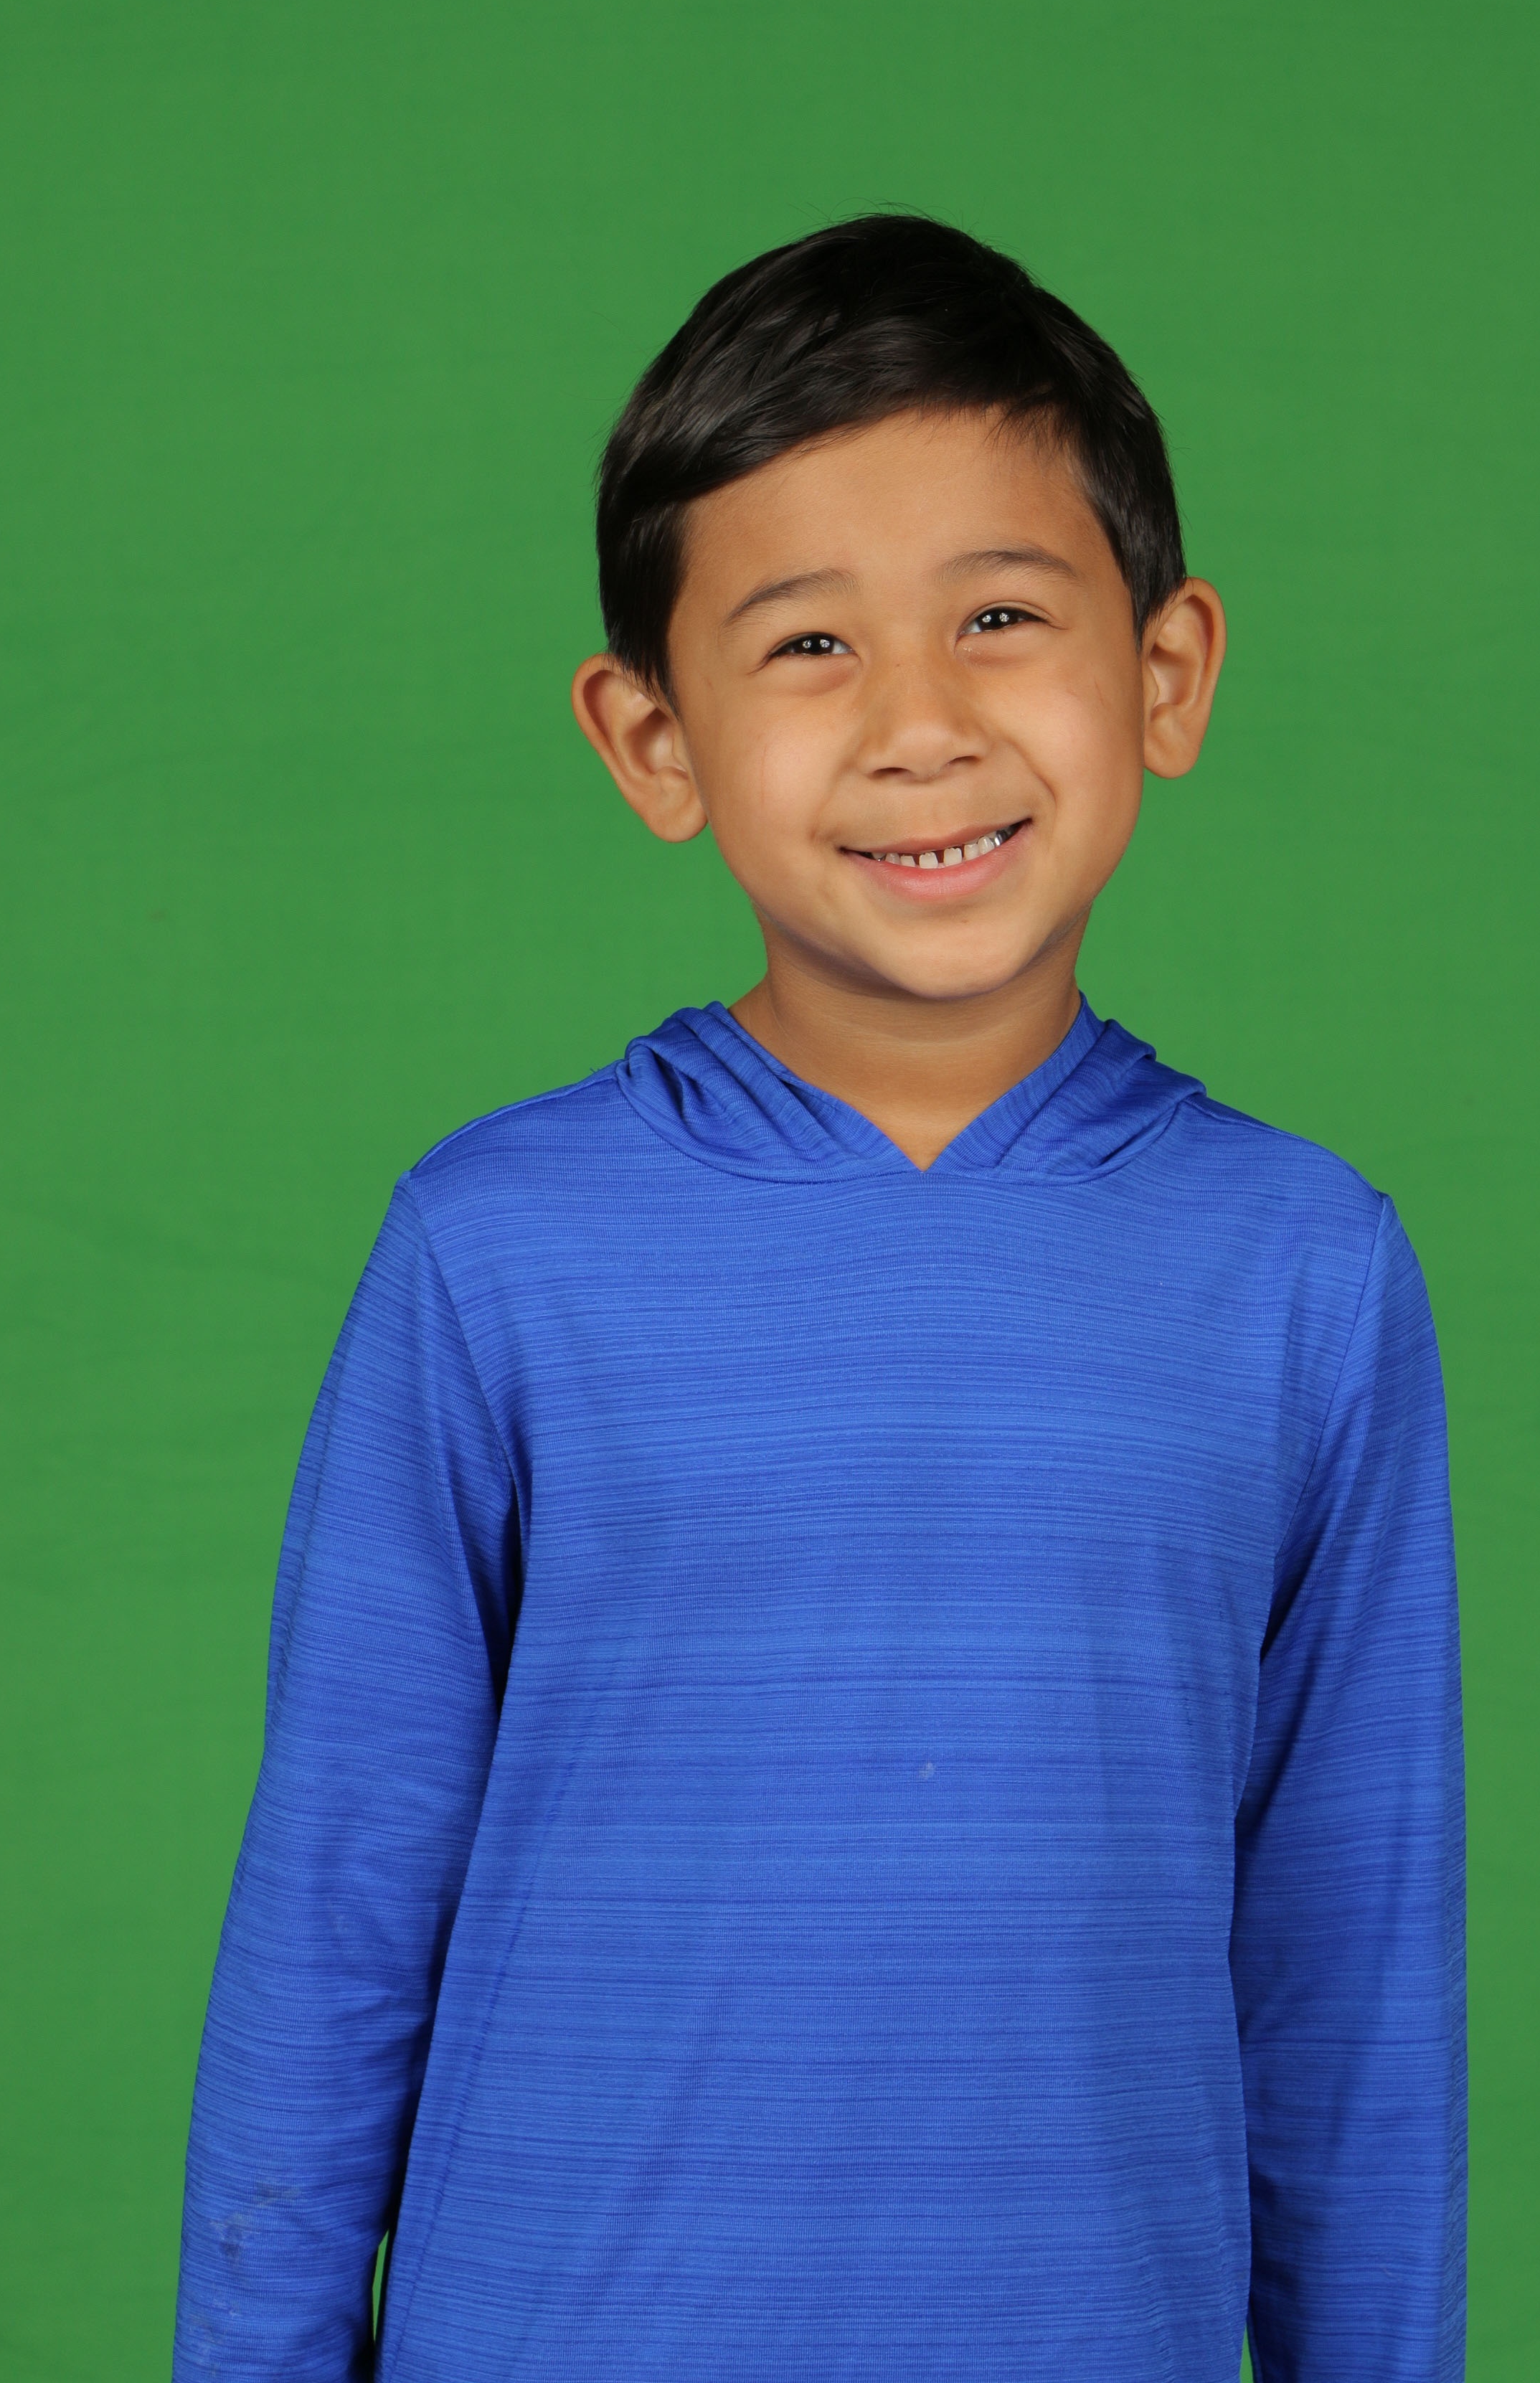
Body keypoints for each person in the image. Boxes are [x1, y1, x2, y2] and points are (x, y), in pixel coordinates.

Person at [174, 215, 1465, 2382]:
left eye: (999, 617)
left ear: (1167, 672)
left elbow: (1356, 1982)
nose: (922, 726)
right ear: (651, 737)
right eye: (806, 645)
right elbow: (338, 1907)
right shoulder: (494, 1249)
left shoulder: (1305, 1273)